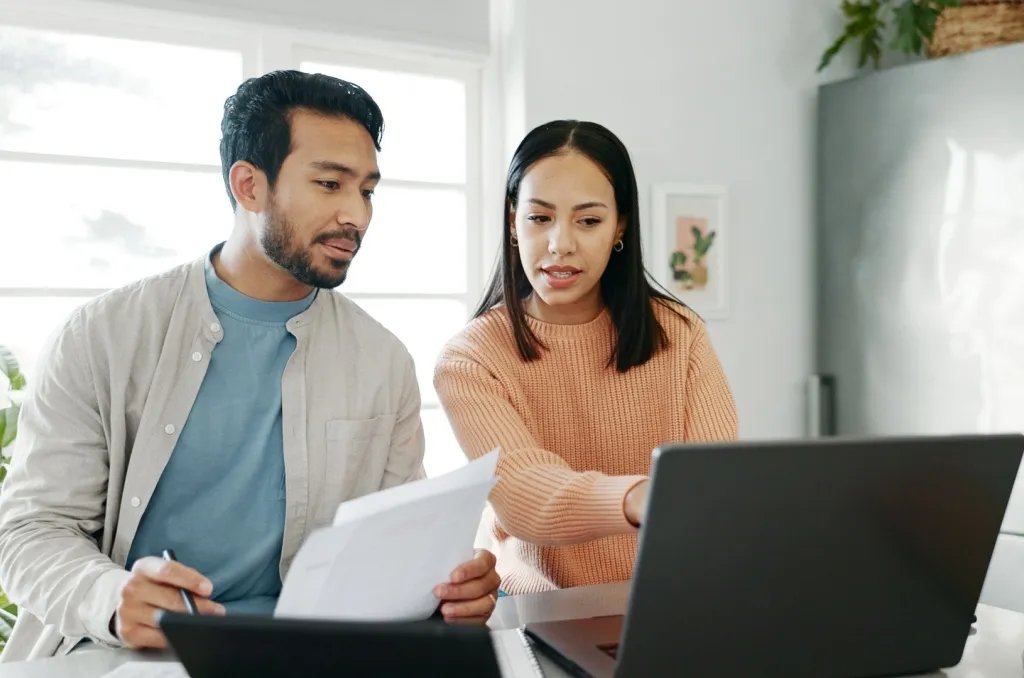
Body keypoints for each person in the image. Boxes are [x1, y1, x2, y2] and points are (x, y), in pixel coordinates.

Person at [0, 70, 500, 662]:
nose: (357, 216)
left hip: (317, 657)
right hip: (132, 655)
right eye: (329, 184)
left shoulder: (382, 359)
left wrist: (448, 588)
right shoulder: (101, 336)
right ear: (248, 185)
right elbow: (30, 532)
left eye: (366, 190)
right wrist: (112, 596)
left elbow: (394, 542)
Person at [433, 120, 739, 595]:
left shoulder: (681, 335)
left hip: (675, 602)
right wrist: (641, 496)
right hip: (539, 614)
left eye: (588, 220)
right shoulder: (470, 359)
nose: (560, 243)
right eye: (539, 218)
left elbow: (714, 489)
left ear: (620, 225)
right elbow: (523, 496)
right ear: (514, 221)